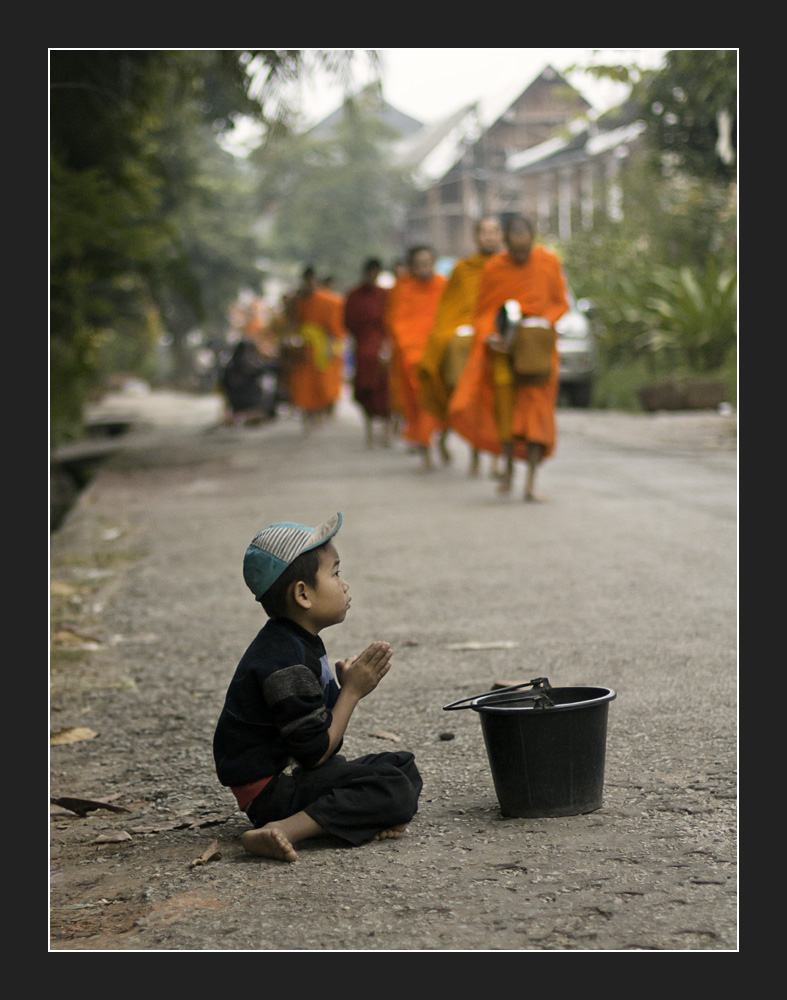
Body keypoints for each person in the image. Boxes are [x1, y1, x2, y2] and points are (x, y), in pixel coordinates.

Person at [213, 512, 422, 862]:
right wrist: (352, 692)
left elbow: (314, 732)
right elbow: (316, 752)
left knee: (402, 765)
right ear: (303, 595)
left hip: (292, 776)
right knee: (392, 789)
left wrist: (340, 688)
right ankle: (282, 829)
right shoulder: (285, 662)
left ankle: (353, 818)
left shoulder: (296, 641)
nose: (344, 584)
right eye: (335, 573)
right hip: (272, 792)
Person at [448, 216, 570, 501]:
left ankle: (531, 483)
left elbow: (559, 302)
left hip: (537, 351)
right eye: (515, 251)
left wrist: (541, 324)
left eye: (525, 250)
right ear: (506, 245)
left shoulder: (548, 262)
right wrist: (490, 335)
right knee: (505, 412)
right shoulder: (495, 267)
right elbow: (484, 311)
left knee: (537, 415)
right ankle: (508, 472)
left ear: (533, 240)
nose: (520, 255)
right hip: (504, 351)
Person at [417, 217, 503, 475]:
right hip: (468, 343)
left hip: (499, 341)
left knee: (499, 401)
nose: (489, 237)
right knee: (470, 399)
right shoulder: (463, 269)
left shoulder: (508, 268)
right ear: (476, 238)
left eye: (494, 232)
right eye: (484, 232)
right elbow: (449, 311)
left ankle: (497, 460)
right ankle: (474, 455)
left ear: (501, 236)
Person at [385, 245, 448, 470]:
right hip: (411, 358)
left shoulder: (443, 286)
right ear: (410, 267)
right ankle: (426, 455)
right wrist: (409, 350)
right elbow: (395, 323)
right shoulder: (401, 289)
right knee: (419, 406)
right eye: (418, 265)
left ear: (434, 263)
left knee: (445, 402)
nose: (424, 269)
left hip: (439, 355)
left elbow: (450, 317)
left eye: (427, 263)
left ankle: (442, 440)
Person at [343, 258, 394, 447]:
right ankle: (370, 433)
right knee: (366, 391)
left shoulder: (385, 296)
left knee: (386, 392)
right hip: (362, 349)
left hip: (382, 349)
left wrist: (387, 345)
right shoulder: (354, 296)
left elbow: (391, 321)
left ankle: (387, 433)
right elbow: (348, 323)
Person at [288, 268, 346, 431]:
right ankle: (307, 413)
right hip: (303, 346)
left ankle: (321, 411)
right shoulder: (298, 301)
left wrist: (330, 347)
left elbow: (334, 328)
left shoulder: (329, 301)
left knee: (322, 383)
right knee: (302, 383)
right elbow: (292, 322)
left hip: (321, 346)